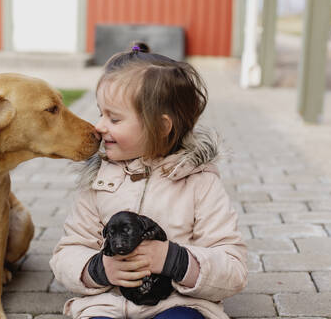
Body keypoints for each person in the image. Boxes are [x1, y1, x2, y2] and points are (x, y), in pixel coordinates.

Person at [49, 42, 247, 319]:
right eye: (100, 112)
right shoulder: (99, 181)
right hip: (107, 304)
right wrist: (99, 269)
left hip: (176, 303)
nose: (99, 126)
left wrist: (174, 260)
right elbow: (67, 253)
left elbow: (233, 268)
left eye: (114, 118)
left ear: (162, 127)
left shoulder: (200, 183)